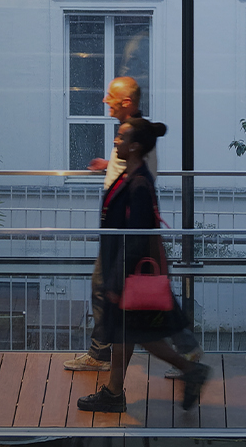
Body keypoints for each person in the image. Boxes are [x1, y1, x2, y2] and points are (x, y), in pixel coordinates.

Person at [75, 78, 212, 413]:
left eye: (121, 139)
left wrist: (116, 280)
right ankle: (114, 391)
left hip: (127, 268)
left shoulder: (137, 183)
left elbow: (134, 233)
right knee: (127, 330)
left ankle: (190, 368)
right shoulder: (129, 174)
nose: (116, 140)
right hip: (124, 264)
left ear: (134, 146)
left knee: (141, 332)